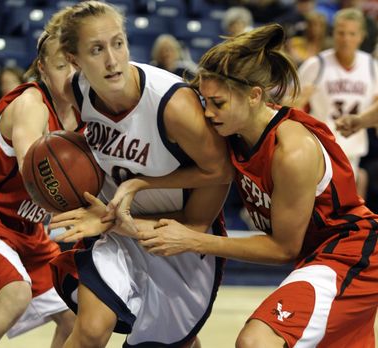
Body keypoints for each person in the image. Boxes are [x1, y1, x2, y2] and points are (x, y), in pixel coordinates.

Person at [105, 23, 378, 347]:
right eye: (204, 101)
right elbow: (213, 173)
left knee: (256, 340)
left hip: (351, 253)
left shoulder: (292, 151)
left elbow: (282, 248)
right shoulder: (233, 134)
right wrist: (132, 191)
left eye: (217, 103)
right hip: (317, 258)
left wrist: (195, 241)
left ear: (254, 95)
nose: (207, 113)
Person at [48, 2, 231, 348]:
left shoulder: (173, 104)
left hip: (177, 237)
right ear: (75, 59)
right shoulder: (77, 90)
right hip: (113, 230)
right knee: (89, 328)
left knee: (174, 341)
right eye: (97, 50)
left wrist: (140, 185)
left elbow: (220, 174)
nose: (112, 60)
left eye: (118, 43)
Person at [0, 12, 80, 348]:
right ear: (42, 67)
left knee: (79, 316)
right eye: (61, 66)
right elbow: (34, 173)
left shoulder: (84, 112)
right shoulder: (30, 105)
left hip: (27, 231)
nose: (71, 74)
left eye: (76, 64)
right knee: (14, 295)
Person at [295, 8, 378, 198]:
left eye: (352, 33)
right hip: (320, 147)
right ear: (333, 34)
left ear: (361, 36)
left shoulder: (371, 66)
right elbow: (291, 105)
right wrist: (300, 102)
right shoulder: (316, 64)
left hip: (352, 151)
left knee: (346, 207)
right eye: (341, 33)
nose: (346, 39)